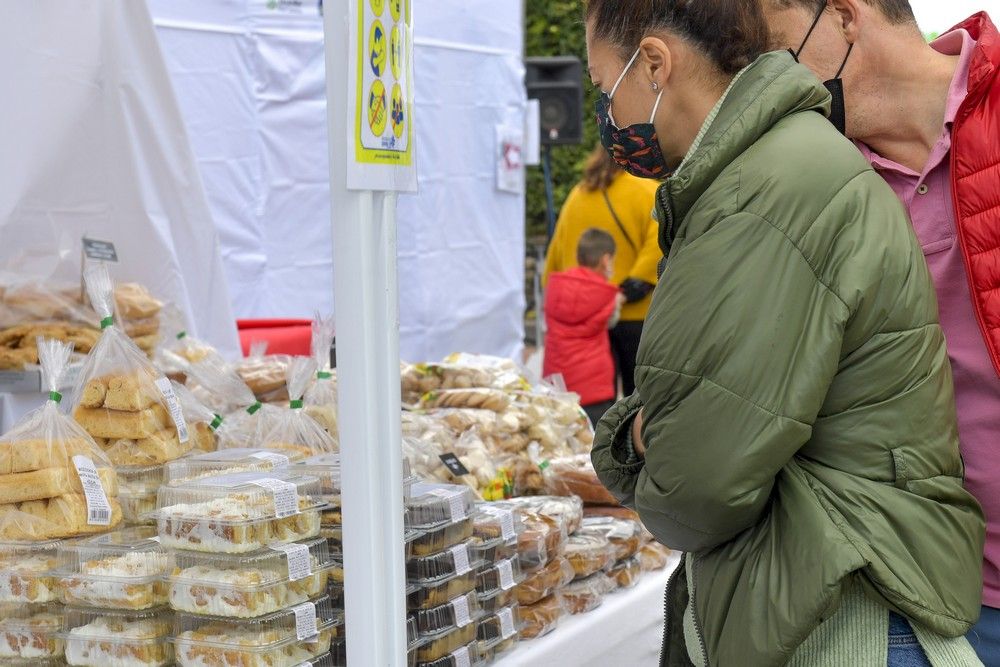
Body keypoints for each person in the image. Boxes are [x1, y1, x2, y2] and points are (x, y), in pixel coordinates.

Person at [584, 1, 986, 665]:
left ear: (655, 63)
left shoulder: (761, 191)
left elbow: (696, 486)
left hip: (837, 603)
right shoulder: (774, 169)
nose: (608, 116)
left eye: (605, 86)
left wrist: (630, 441)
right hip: (854, 576)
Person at [761, 3, 1000, 663]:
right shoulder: (812, 183)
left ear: (842, 18)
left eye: (776, 54)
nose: (767, 85)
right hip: (923, 598)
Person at [543, 145, 660, 397]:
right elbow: (659, 242)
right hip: (632, 313)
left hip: (586, 317)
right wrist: (633, 285)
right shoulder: (646, 189)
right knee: (637, 398)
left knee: (595, 393)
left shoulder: (578, 194)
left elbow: (555, 252)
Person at [543, 228, 625, 426]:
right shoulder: (606, 295)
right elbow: (611, 321)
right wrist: (619, 301)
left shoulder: (556, 287)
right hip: (594, 390)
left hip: (557, 387)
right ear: (606, 260)